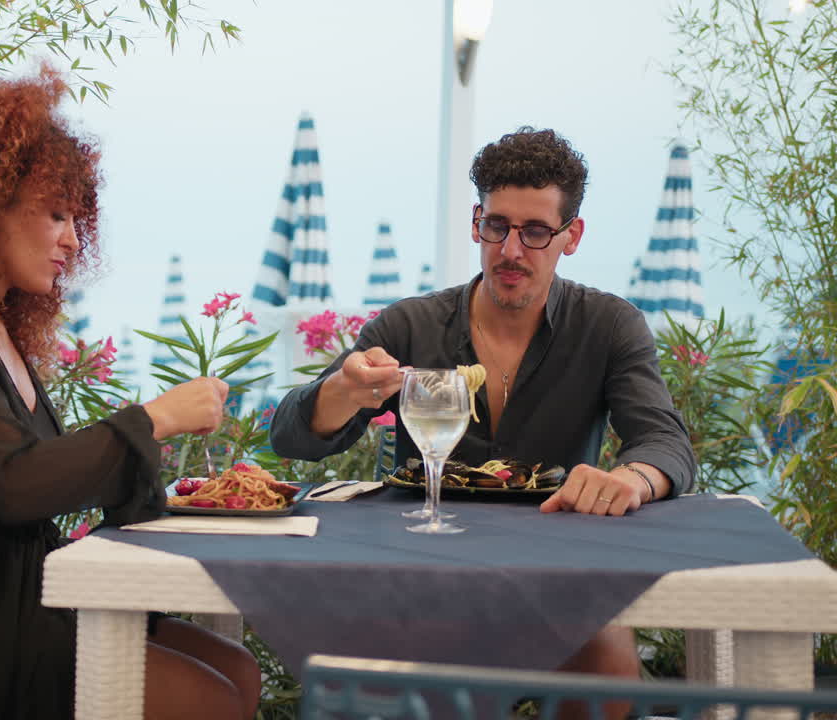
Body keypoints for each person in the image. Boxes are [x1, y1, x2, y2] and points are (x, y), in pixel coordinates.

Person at [0, 67, 261, 720]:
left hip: (16, 600)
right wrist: (152, 419)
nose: (73, 239)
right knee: (213, 701)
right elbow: (16, 486)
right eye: (56, 214)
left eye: (78, 218)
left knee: (236, 668)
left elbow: (50, 476)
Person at [269, 128, 696, 711]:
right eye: (496, 226)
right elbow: (292, 438)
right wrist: (343, 391)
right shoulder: (408, 327)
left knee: (608, 662)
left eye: (536, 232)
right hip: (421, 579)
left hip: (560, 581)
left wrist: (631, 479)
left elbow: (664, 441)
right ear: (477, 223)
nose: (511, 251)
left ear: (571, 236)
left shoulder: (609, 326)